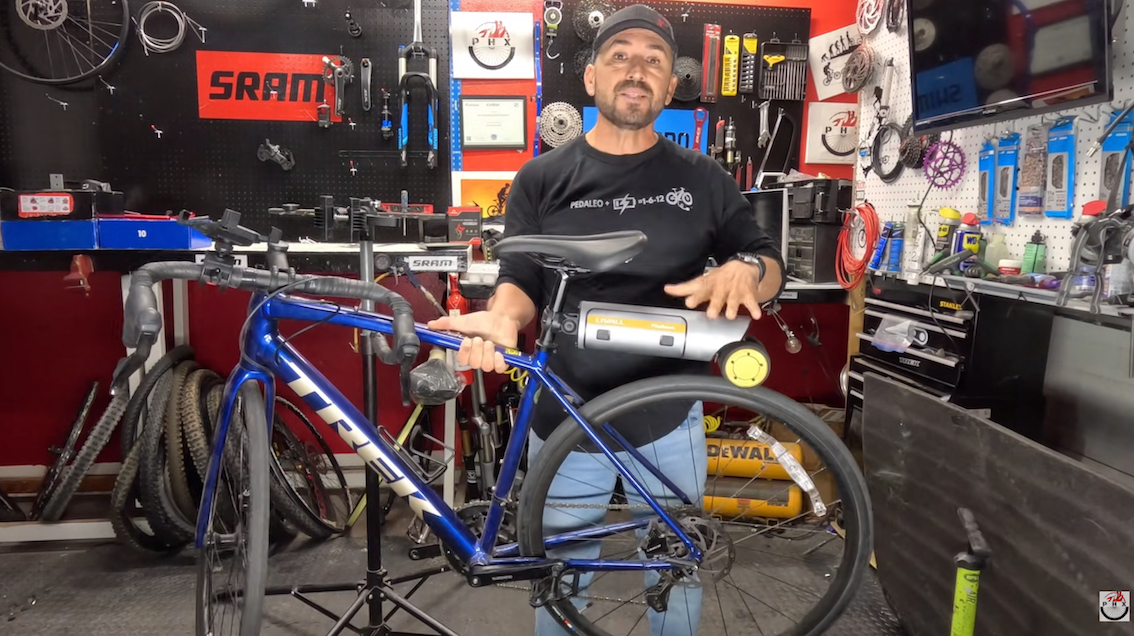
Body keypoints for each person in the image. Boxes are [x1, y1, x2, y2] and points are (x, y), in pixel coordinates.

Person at [426, 5, 785, 634]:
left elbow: (769, 262)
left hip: (668, 415)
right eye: (620, 56)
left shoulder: (704, 178)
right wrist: (502, 320)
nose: (636, 69)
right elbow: (521, 280)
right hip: (564, 413)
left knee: (676, 571)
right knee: (559, 583)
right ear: (591, 77)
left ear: (670, 86)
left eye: (654, 60)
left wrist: (749, 271)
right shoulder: (541, 178)